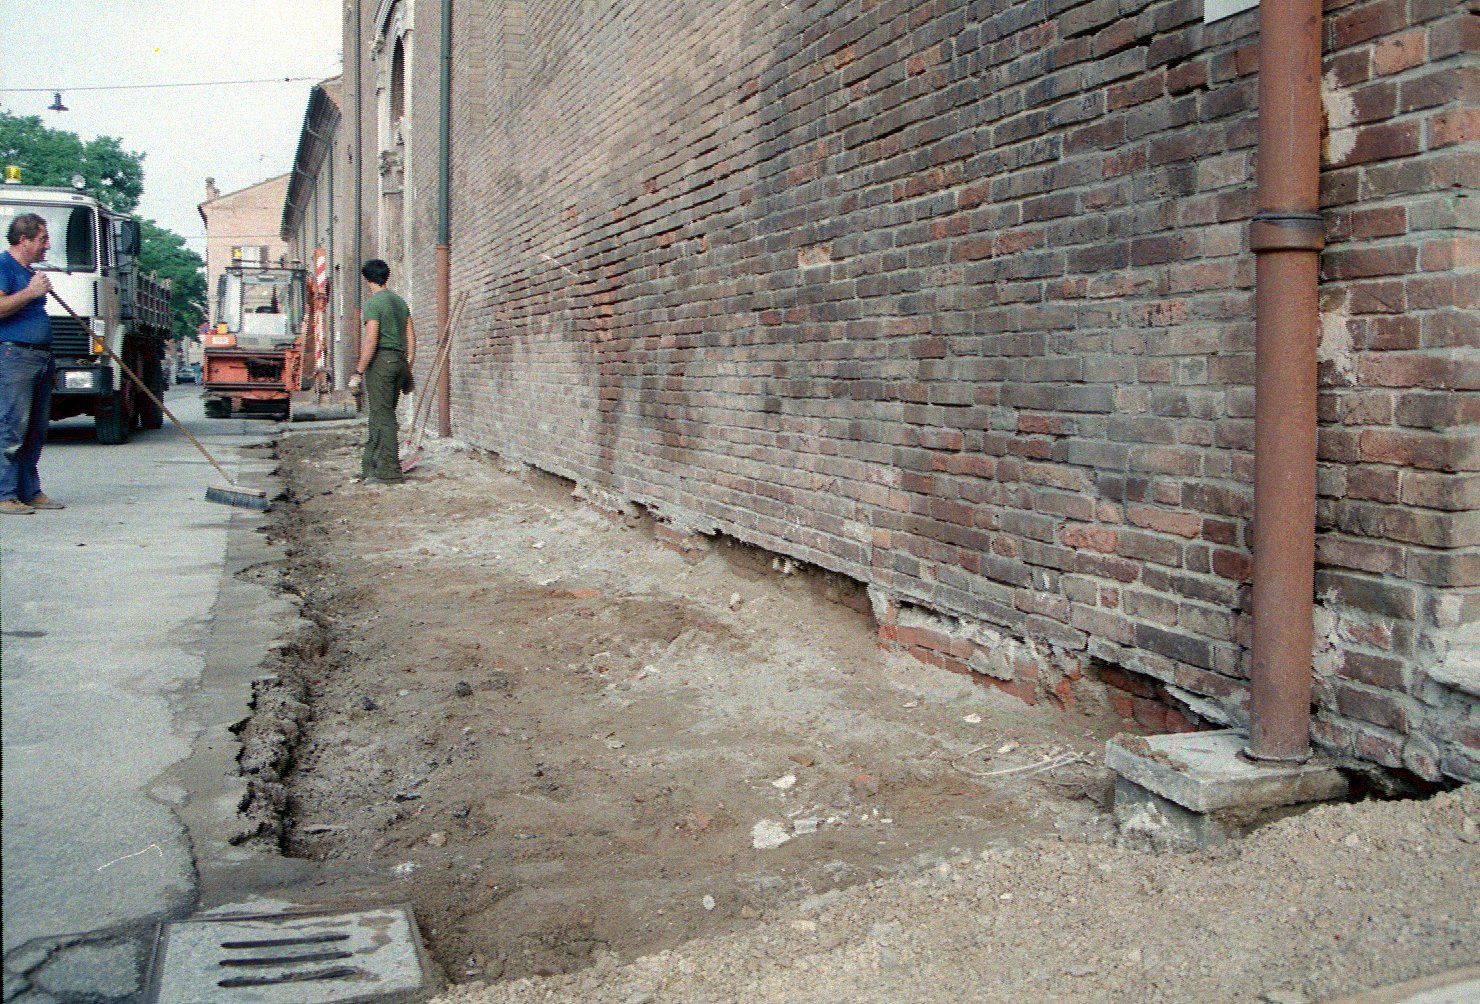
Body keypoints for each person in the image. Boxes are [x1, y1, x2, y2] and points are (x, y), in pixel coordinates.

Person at [0, 213, 64, 515]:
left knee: (35, 430)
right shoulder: (3, 266)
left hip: (38, 357)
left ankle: (29, 490)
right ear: (23, 240)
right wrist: (31, 293)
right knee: (12, 428)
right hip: (14, 357)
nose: (48, 246)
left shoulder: (28, 271)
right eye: (43, 239)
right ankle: (4, 494)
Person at [347, 259, 415, 483]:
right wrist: (407, 366)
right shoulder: (400, 302)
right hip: (399, 361)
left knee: (383, 417)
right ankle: (371, 468)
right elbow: (412, 340)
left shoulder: (374, 303)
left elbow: (371, 341)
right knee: (380, 414)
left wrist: (358, 371)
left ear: (367, 280)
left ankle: (389, 472)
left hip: (381, 362)